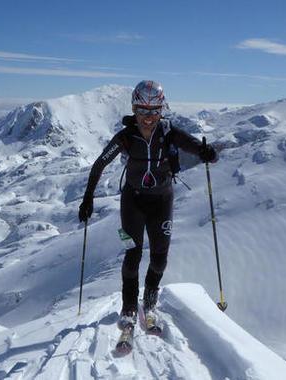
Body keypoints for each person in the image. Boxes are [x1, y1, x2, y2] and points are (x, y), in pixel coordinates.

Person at [78, 80, 218, 326]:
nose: (148, 117)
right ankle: (129, 306)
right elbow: (100, 163)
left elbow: (195, 146)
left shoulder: (168, 132)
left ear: (161, 110)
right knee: (131, 256)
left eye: (154, 111)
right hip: (131, 202)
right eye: (142, 110)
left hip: (162, 201)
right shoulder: (126, 137)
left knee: (159, 259)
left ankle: (150, 302)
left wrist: (207, 153)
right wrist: (88, 197)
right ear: (134, 108)